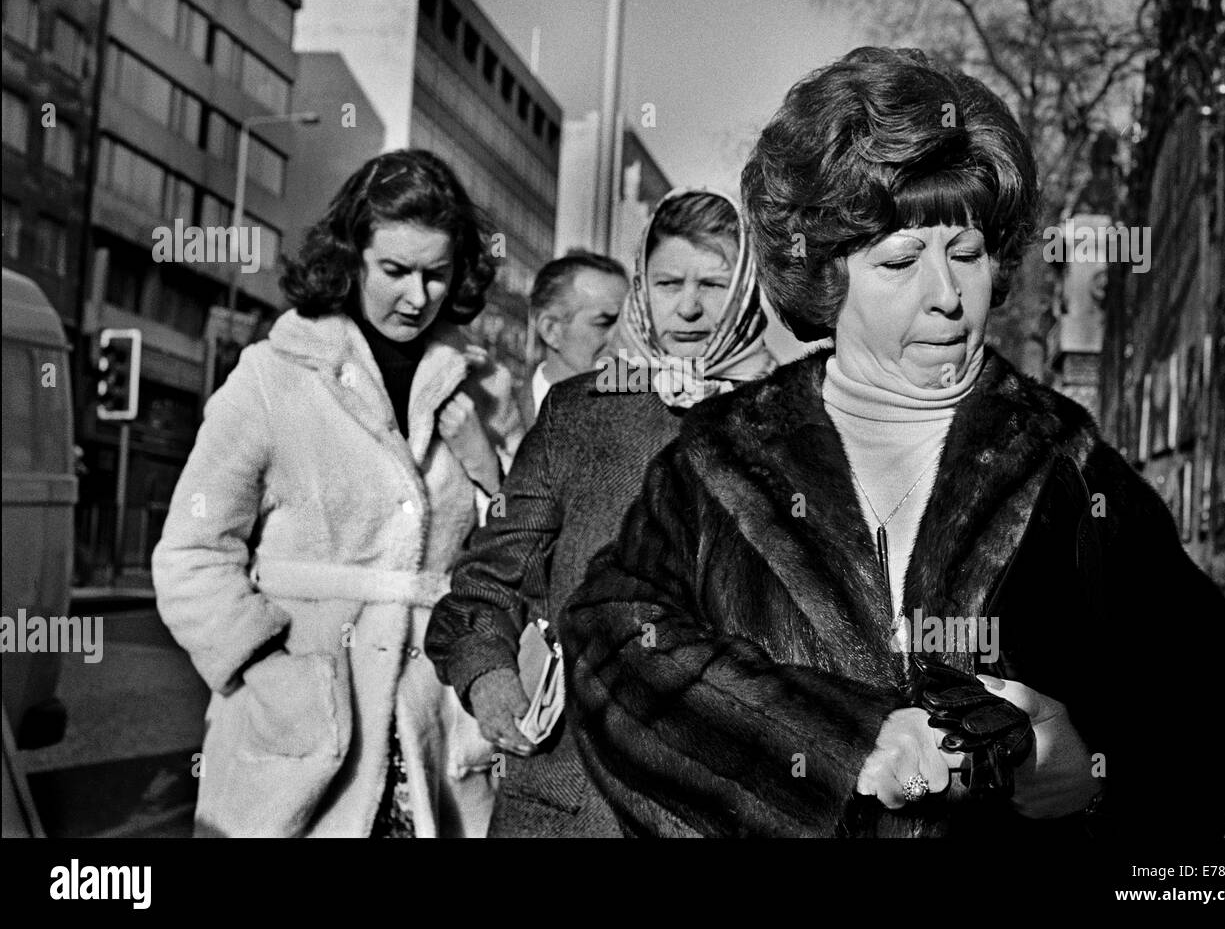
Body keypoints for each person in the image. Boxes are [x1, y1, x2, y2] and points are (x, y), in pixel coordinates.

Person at [563, 47, 1225, 838]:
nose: (948, 296)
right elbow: (612, 638)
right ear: (829, 279)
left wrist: (1099, 763)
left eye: (967, 253)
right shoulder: (719, 461)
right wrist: (831, 739)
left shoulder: (1061, 467)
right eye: (902, 260)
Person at [152, 150, 524, 838]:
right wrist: (266, 671)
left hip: (435, 739)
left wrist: (487, 467)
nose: (418, 295)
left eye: (437, 273)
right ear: (351, 258)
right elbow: (191, 551)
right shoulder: (273, 377)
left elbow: (518, 562)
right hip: (301, 737)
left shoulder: (489, 392)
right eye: (396, 270)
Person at [424, 187, 775, 836]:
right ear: (644, 288)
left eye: (714, 283)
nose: (690, 306)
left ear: (751, 288)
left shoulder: (799, 430)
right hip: (567, 802)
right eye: (669, 282)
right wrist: (489, 675)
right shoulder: (579, 412)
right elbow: (485, 579)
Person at [523, 250, 628, 426]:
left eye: (628, 326)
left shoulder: (645, 420)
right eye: (604, 323)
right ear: (551, 330)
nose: (624, 339)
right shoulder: (492, 416)